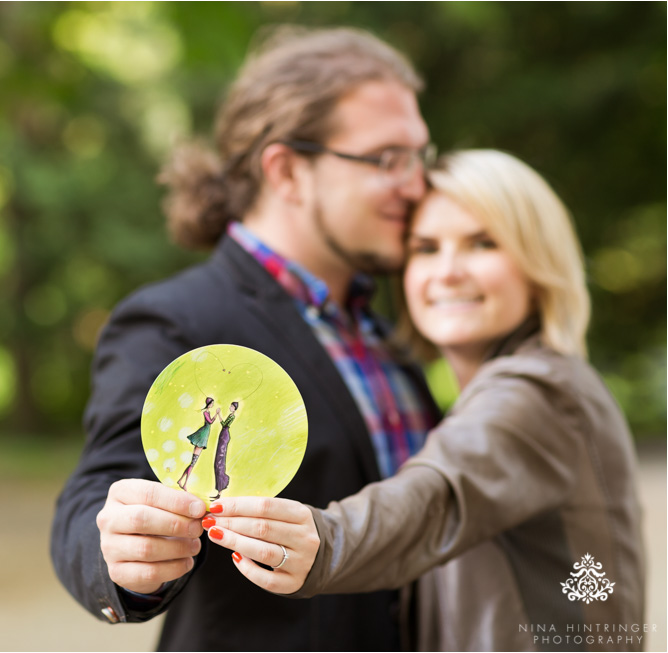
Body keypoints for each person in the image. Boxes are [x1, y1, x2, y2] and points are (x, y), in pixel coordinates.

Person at [50, 26, 440, 651]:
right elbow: (100, 490)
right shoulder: (175, 321)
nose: (416, 185)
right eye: (386, 158)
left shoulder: (384, 331)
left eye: (420, 157)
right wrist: (120, 550)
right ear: (287, 170)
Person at [203, 150, 646, 651]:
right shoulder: (492, 388)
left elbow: (436, 496)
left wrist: (325, 541)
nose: (449, 271)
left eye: (483, 243)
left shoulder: (540, 391)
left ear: (537, 261)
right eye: (427, 248)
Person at [176, 397, 218, 490]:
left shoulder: (208, 412)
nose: (213, 405)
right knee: (193, 463)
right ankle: (185, 484)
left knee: (193, 463)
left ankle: (180, 480)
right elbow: (210, 422)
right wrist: (216, 414)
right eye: (212, 403)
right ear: (209, 404)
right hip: (201, 437)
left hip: (204, 436)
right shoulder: (206, 412)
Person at [211, 401, 238, 500]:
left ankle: (222, 486)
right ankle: (219, 492)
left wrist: (218, 414)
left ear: (235, 408)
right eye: (230, 405)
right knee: (217, 463)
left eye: (232, 406)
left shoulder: (232, 416)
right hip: (223, 435)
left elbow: (224, 424)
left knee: (219, 463)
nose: (230, 407)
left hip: (224, 435)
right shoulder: (230, 415)